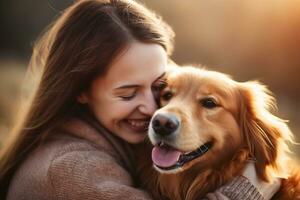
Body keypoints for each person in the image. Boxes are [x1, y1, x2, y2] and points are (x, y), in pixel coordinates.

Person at [0, 0, 280, 199]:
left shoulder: (117, 134)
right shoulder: (70, 171)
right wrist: (250, 188)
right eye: (127, 93)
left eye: (160, 89)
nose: (154, 110)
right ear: (80, 90)